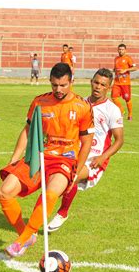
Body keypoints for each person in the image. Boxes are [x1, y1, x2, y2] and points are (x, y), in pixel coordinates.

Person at [0, 62, 95, 258]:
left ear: (71, 82)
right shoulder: (40, 102)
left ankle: (21, 241)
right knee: (4, 192)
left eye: (63, 85)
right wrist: (14, 160)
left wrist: (77, 168)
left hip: (65, 161)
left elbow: (87, 142)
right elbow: (27, 131)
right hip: (40, 156)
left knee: (51, 194)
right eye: (54, 85)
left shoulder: (82, 107)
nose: (58, 90)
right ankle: (26, 236)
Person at [48, 68, 124, 232]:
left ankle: (62, 212)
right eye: (96, 82)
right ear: (91, 82)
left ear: (108, 87)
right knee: (53, 181)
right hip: (75, 153)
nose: (98, 86)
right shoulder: (81, 104)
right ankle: (41, 214)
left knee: (71, 177)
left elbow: (119, 140)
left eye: (102, 84)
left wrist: (103, 157)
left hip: (93, 160)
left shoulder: (112, 110)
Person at [112, 43, 137, 121]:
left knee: (127, 99)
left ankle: (130, 115)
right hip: (116, 82)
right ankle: (122, 110)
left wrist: (126, 70)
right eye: (119, 49)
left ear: (125, 50)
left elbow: (135, 68)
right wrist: (114, 70)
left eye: (122, 49)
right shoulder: (116, 58)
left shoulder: (128, 58)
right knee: (113, 97)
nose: (121, 51)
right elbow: (115, 68)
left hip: (125, 83)